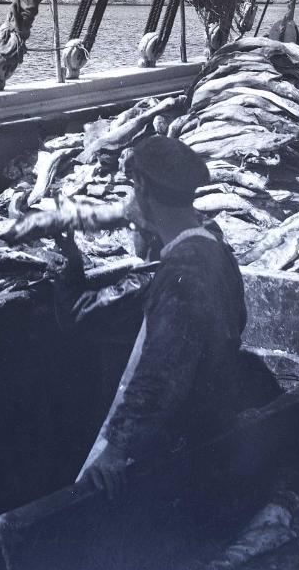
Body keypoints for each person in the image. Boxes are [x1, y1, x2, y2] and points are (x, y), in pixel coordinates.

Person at [58, 135, 281, 498]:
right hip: (214, 430)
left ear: (143, 189)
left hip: (183, 455)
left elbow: (162, 373)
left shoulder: (181, 272)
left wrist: (115, 451)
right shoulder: (216, 250)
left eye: (132, 189)